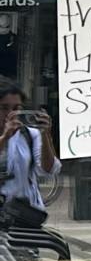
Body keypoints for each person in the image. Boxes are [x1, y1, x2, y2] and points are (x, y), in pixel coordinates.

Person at [1, 85, 59, 225]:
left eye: (16, 108)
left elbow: (48, 170)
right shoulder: (7, 136)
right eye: (4, 108)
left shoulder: (29, 135)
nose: (10, 113)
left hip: (23, 212)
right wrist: (5, 137)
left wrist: (45, 135)